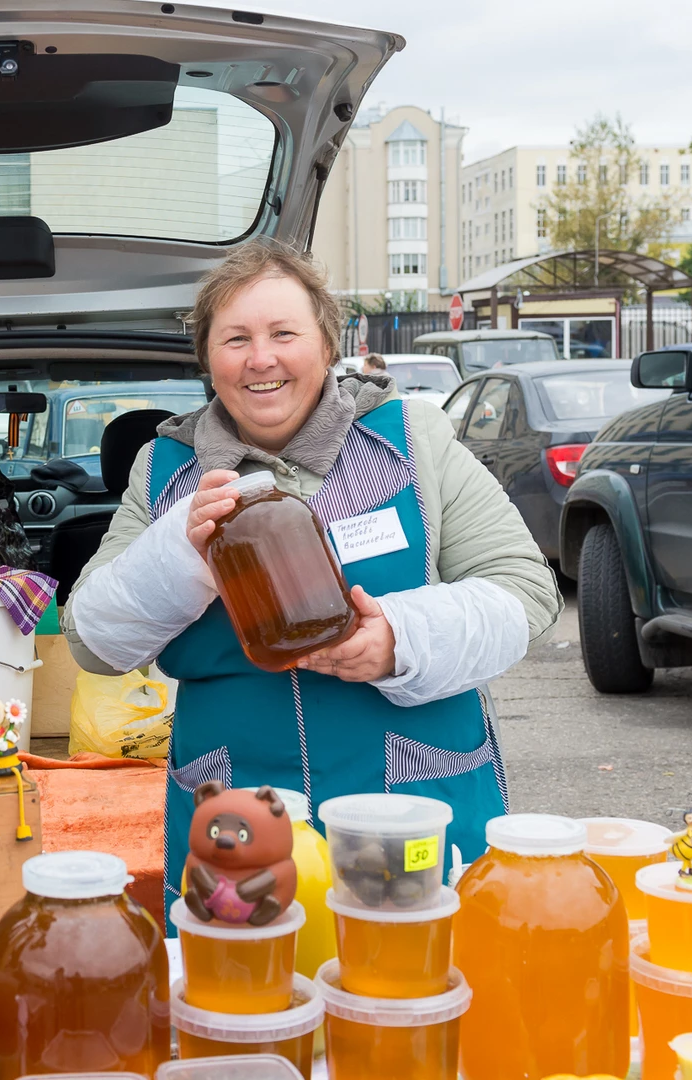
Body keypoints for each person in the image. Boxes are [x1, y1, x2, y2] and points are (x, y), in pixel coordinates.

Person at [61, 242, 560, 915]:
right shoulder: (163, 471)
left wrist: (401, 640)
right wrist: (179, 551)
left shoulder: (412, 440)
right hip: (241, 810)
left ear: (327, 344)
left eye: (283, 334)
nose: (260, 358)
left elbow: (526, 590)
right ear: (207, 356)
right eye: (235, 338)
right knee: (250, 975)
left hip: (411, 798)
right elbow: (93, 643)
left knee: (411, 967)